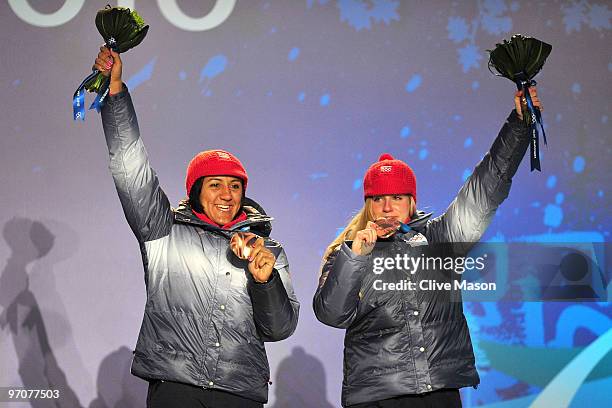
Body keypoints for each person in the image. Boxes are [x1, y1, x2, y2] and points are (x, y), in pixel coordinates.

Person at [94, 46, 299, 408]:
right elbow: (130, 168)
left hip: (239, 393)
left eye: (235, 186)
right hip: (176, 387)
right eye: (215, 185)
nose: (226, 195)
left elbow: (279, 329)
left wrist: (265, 281)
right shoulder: (164, 230)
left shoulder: (267, 250)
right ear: (195, 191)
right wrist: (115, 95)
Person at [313, 90, 542, 407]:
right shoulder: (347, 252)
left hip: (438, 392)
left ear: (411, 202)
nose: (387, 207)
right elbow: (331, 315)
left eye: (397, 198)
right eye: (378, 199)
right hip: (377, 396)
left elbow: (487, 185)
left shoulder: (440, 239)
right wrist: (354, 257)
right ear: (367, 205)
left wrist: (518, 125)